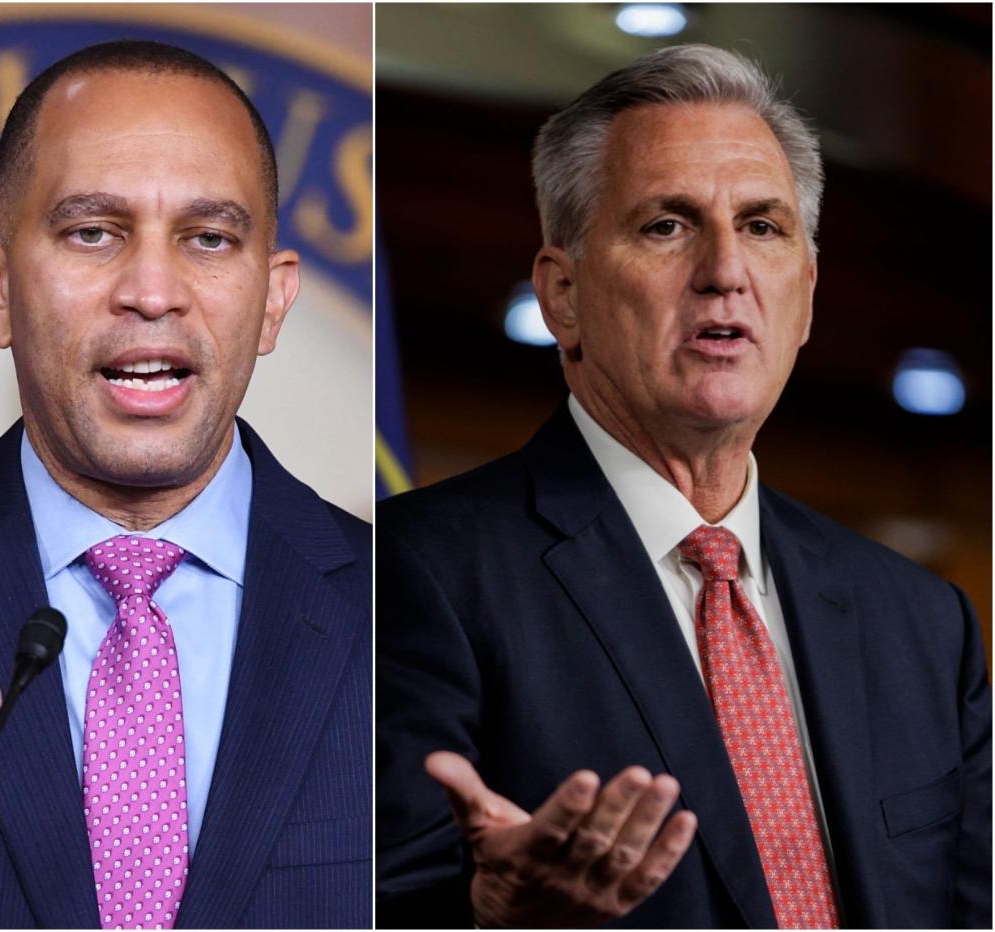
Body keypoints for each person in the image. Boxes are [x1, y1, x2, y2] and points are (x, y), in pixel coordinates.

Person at [0, 41, 370, 929]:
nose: (153, 293)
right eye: (93, 232)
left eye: (208, 238)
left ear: (273, 299)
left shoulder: (416, 609)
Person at [377, 44, 990, 929]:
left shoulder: (925, 624)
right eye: (667, 225)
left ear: (807, 297)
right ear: (564, 296)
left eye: (763, 227)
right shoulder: (414, 573)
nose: (725, 271)